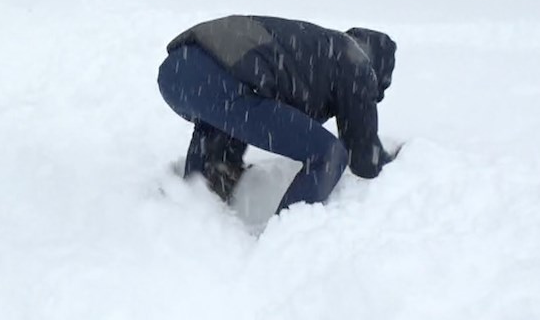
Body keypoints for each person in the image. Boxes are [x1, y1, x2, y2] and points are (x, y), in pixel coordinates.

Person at [156, 15, 400, 213]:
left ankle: (191, 207)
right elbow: (364, 159)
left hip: (178, 72)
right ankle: (285, 239)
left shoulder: (318, 47)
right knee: (328, 154)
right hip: (221, 82)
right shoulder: (357, 63)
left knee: (229, 122)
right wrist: (402, 163)